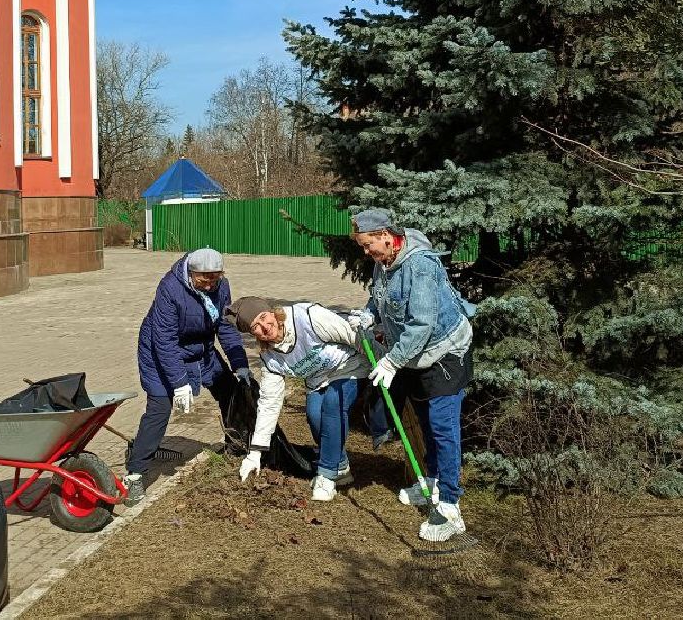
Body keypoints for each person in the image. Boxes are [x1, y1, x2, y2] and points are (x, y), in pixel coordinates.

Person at [348, 208, 476, 544]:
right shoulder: (384, 262)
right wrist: (366, 315)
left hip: (445, 353)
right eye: (362, 247)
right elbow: (381, 299)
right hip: (416, 357)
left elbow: (422, 324)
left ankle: (450, 506)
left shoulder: (419, 266)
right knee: (423, 420)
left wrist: (391, 362)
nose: (366, 253)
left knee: (442, 427)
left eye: (367, 245)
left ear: (386, 236)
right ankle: (431, 482)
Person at [124, 248, 251, 502]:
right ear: (191, 273)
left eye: (216, 278)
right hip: (160, 352)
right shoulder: (170, 288)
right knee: (160, 408)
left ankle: (235, 444)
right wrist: (179, 383)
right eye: (205, 279)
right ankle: (135, 474)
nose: (211, 284)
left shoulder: (221, 286)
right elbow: (164, 341)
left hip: (200, 349)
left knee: (229, 388)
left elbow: (224, 326)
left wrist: (240, 363)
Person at [225, 296, 369, 501]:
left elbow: (352, 335)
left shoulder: (308, 318)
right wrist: (255, 452)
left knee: (332, 405)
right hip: (318, 379)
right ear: (252, 333)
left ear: (273, 312)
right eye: (256, 326)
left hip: (350, 366)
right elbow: (269, 403)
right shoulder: (270, 358)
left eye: (265, 317)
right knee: (313, 415)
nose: (265, 326)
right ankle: (341, 465)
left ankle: (327, 475)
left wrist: (386, 364)